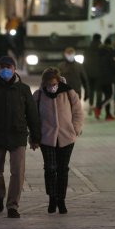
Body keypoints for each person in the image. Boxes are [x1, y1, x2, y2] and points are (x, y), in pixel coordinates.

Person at [0, 56, 41, 218]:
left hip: (17, 135)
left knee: (17, 172)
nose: (6, 70)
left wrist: (35, 136)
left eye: (9, 67)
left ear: (14, 69)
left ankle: (12, 205)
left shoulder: (23, 89)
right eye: (3, 67)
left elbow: (32, 114)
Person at [33, 68, 83, 214]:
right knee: (50, 168)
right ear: (44, 83)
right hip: (46, 138)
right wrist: (34, 136)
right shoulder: (39, 95)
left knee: (62, 169)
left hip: (66, 137)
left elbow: (78, 112)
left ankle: (61, 200)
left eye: (54, 83)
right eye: (48, 84)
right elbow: (33, 116)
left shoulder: (68, 92)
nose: (51, 87)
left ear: (59, 81)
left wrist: (75, 128)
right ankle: (52, 198)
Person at [83, 33, 102, 115]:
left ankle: (91, 106)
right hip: (99, 73)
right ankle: (97, 108)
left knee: (91, 90)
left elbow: (85, 62)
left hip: (89, 73)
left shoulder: (87, 49)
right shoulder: (102, 49)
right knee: (99, 91)